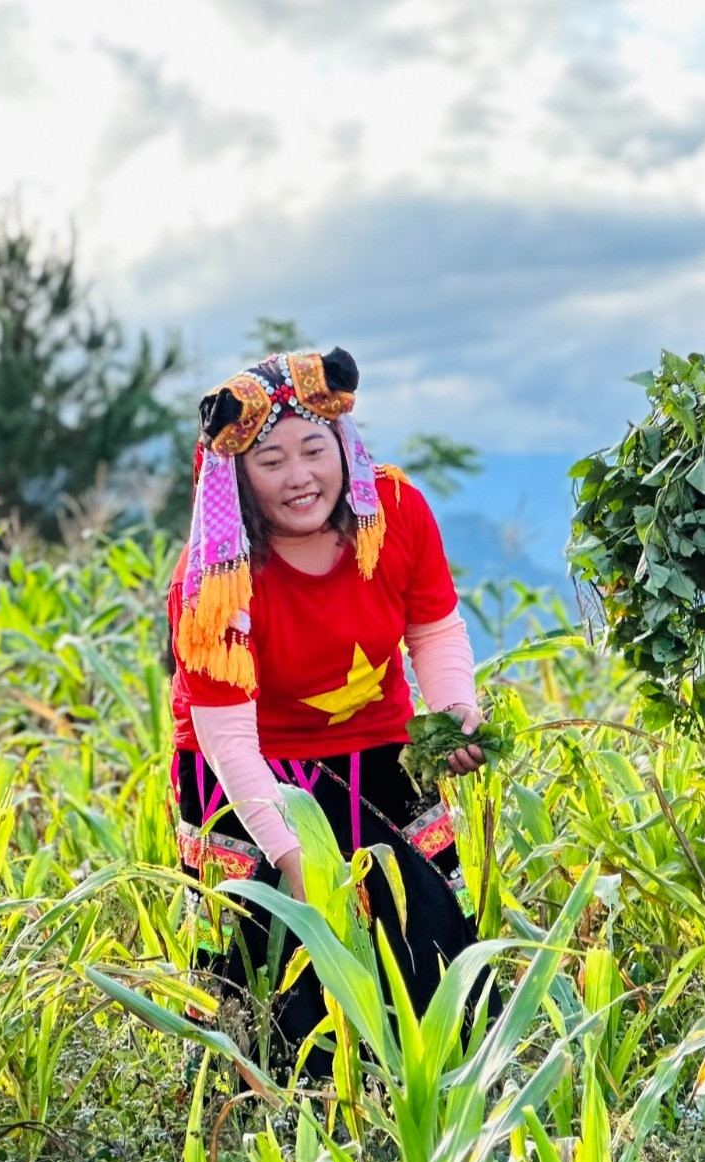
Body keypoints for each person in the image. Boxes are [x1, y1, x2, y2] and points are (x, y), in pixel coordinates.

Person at [168, 347, 489, 1068]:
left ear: (343, 447)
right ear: (238, 479)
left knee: (428, 959)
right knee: (267, 988)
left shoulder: (397, 512)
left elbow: (433, 626)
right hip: (248, 778)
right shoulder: (214, 574)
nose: (299, 476)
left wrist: (452, 714)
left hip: (378, 754)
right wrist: (295, 858)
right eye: (270, 460)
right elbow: (228, 740)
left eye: (315, 449)